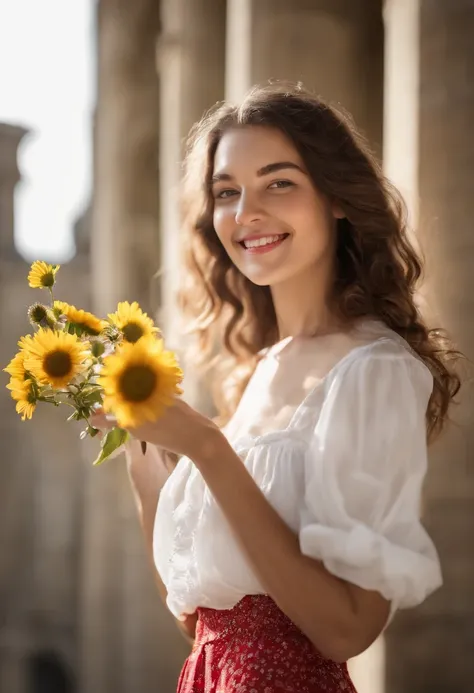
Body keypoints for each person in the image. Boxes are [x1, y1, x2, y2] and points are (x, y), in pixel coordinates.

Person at [92, 83, 461, 692]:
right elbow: (199, 617)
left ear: (336, 197)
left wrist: (207, 449)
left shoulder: (372, 369)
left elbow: (345, 631)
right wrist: (150, 475)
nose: (246, 213)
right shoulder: (256, 372)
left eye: (279, 183)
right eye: (226, 193)